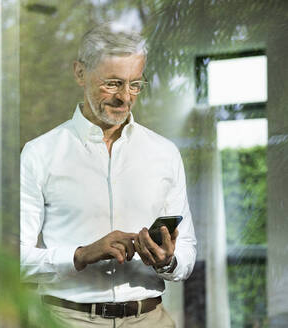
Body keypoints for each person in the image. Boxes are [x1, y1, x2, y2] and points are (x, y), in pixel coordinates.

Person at [20, 23, 197, 327]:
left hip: (151, 319)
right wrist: (81, 254)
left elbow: (188, 251)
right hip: (66, 319)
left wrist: (167, 260)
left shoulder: (165, 153)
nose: (125, 98)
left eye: (135, 85)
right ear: (79, 73)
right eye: (113, 84)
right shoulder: (39, 153)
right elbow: (14, 259)